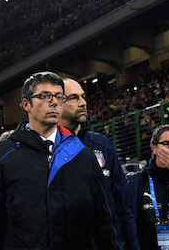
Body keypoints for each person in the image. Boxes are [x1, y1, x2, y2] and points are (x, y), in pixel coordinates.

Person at [0, 71, 123, 249]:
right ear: (26, 104)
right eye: (45, 96)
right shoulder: (4, 154)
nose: (54, 102)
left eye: (59, 97)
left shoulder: (83, 155)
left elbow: (105, 218)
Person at [60, 78, 135, 248]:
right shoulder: (48, 148)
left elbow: (122, 204)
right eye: (73, 98)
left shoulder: (102, 144)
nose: (83, 103)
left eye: (83, 97)